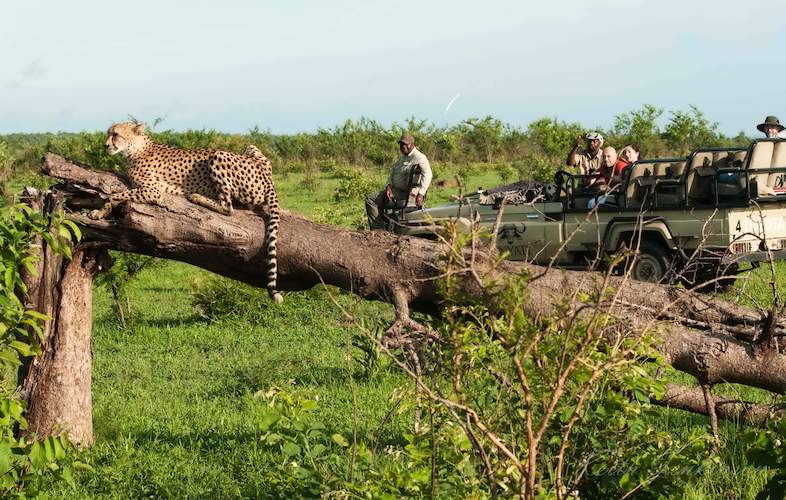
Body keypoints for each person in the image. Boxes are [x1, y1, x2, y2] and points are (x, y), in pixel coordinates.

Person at [365, 132, 432, 229]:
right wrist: (389, 186)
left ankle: (378, 229)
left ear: (412, 144)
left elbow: (428, 174)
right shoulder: (403, 157)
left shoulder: (419, 157)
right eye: (401, 144)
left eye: (405, 144)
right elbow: (393, 172)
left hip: (403, 194)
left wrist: (421, 193)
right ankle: (382, 226)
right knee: (371, 198)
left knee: (370, 199)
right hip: (394, 190)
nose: (402, 146)